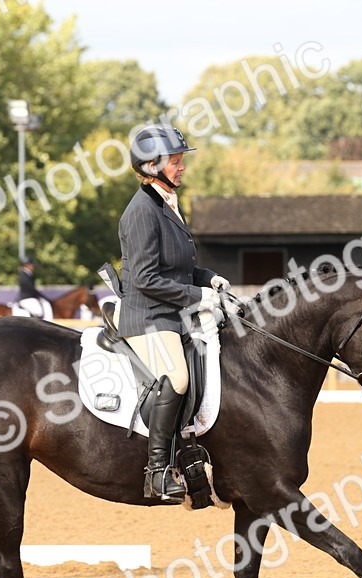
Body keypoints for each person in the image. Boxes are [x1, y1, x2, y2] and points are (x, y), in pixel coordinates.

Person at [117, 124, 231, 503]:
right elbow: (147, 278)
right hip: (147, 315)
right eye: (176, 161)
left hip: (170, 312)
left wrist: (210, 279)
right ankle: (157, 471)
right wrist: (197, 296)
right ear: (152, 165)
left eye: (182, 160)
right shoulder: (141, 212)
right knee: (178, 377)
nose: (182, 167)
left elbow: (176, 268)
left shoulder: (165, 204)